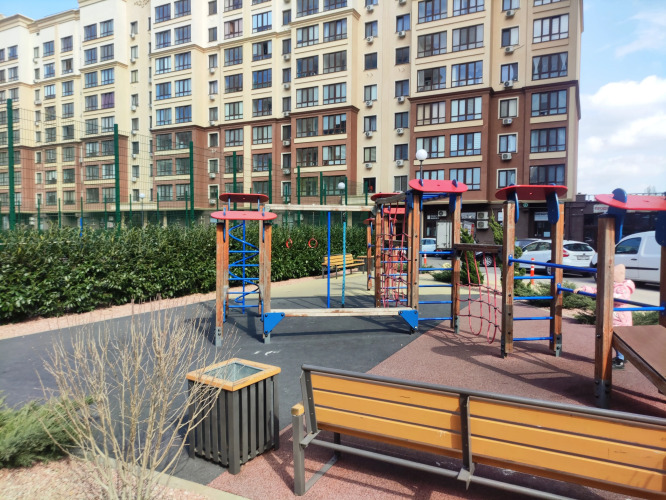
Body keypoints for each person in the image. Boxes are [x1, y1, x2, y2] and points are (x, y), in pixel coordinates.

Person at [574, 263, 635, 369]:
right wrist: (583, 289)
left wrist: (606, 294)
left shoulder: (622, 287)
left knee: (615, 339)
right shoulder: (609, 285)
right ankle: (621, 356)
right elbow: (596, 290)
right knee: (612, 339)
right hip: (613, 318)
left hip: (620, 318)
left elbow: (622, 299)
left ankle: (620, 360)